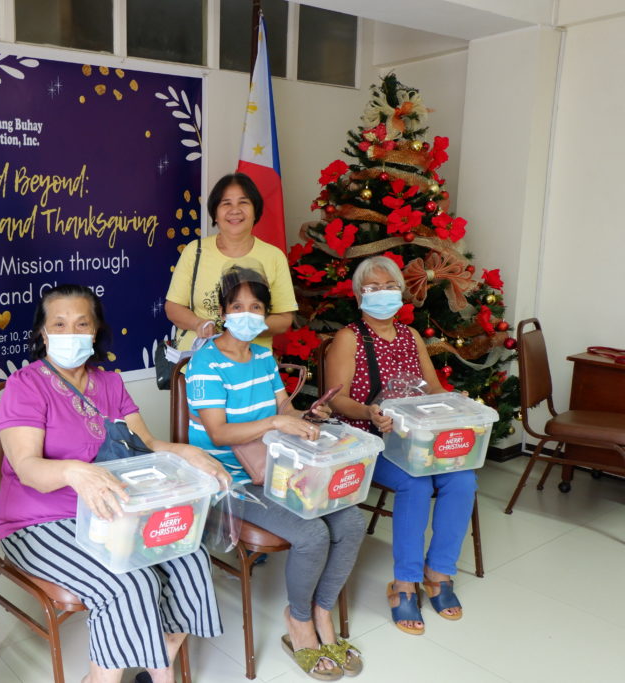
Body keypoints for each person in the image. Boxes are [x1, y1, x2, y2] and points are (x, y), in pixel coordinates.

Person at [0, 284, 229, 683]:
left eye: (81, 324)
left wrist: (187, 454)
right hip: (40, 522)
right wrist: (73, 471)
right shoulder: (25, 386)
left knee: (192, 560)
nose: (71, 333)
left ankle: (159, 672)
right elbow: (28, 466)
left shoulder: (111, 384)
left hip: (116, 512)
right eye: (59, 324)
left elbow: (148, 446)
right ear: (43, 333)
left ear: (95, 331)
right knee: (129, 582)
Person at [186, 266, 365, 681]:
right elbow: (217, 431)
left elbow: (283, 411)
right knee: (311, 533)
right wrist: (274, 425)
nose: (247, 314)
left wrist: (306, 415)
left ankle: (323, 614)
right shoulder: (206, 362)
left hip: (277, 468)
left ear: (266, 315)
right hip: (230, 481)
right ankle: (298, 621)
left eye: (256, 307)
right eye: (238, 306)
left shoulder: (263, 356)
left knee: (352, 522)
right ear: (224, 311)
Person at [325, 255, 476, 636]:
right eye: (372, 288)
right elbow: (335, 401)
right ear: (360, 296)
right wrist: (369, 411)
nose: (382, 294)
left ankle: (438, 572)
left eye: (389, 286)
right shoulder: (349, 338)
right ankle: (404, 583)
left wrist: (464, 406)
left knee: (463, 480)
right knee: (416, 483)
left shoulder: (410, 337)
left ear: (401, 292)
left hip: (413, 440)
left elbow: (435, 390)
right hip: (369, 440)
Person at [165, 172, 297, 351]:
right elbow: (172, 307)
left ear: (255, 210)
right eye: (226, 203)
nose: (235, 210)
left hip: (254, 363)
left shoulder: (274, 256)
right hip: (199, 361)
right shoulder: (195, 251)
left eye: (243, 202)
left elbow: (284, 318)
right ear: (215, 213)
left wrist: (250, 326)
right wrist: (199, 324)